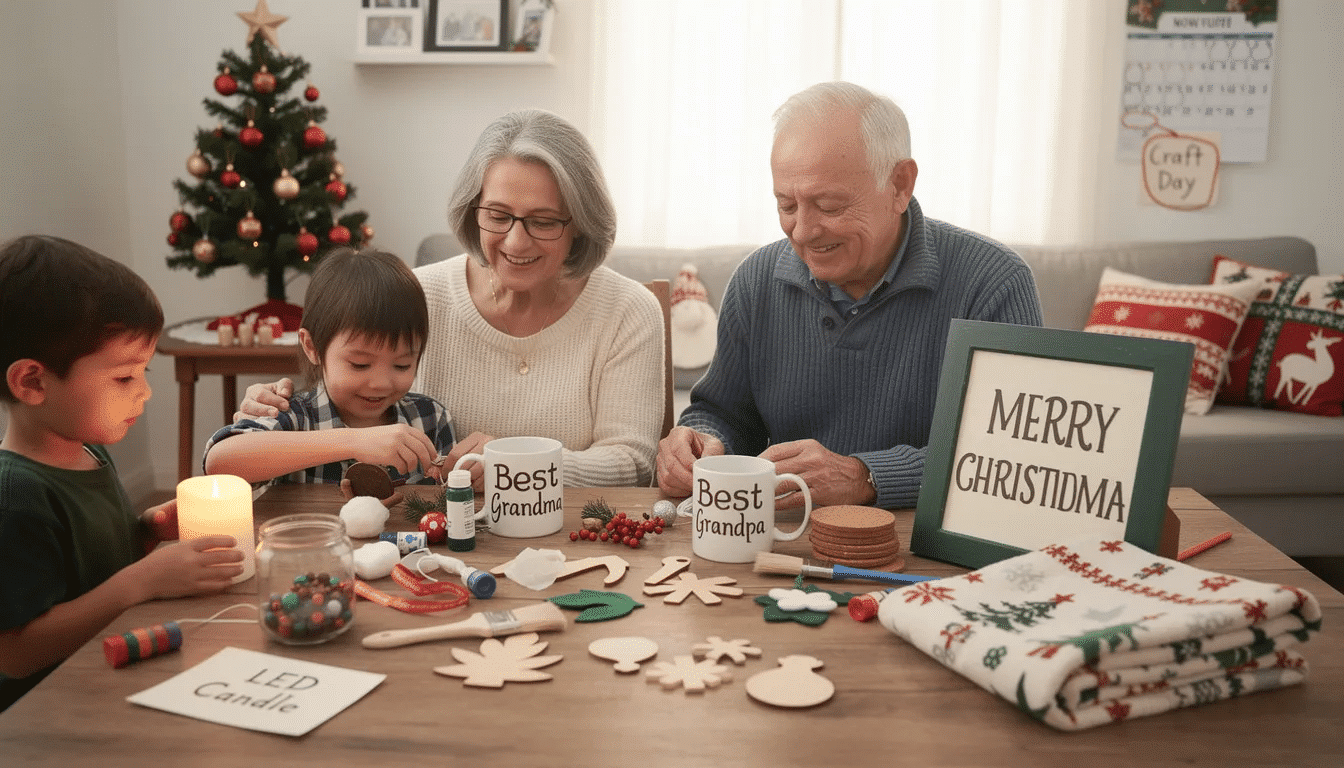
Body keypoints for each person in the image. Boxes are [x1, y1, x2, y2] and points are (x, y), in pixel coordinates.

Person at [657, 82, 1043, 511]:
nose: (802, 231)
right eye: (787, 205)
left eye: (829, 205)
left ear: (900, 185)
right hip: (787, 543)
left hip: (928, 551)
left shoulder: (994, 284)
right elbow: (726, 414)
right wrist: (702, 443)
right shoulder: (756, 281)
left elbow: (1012, 461)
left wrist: (867, 477)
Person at [237, 110, 664, 487]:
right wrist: (272, 407)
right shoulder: (416, 296)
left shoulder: (627, 311)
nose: (516, 241)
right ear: (472, 208)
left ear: (581, 224)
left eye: (544, 221)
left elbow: (633, 463)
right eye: (497, 216)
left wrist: (517, 464)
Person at [0, 235, 244, 711]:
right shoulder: (16, 496)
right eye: (124, 376)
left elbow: (87, 569)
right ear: (33, 382)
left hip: (113, 674)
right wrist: (142, 580)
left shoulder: (88, 452)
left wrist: (146, 532)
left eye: (144, 371)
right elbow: (17, 651)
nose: (145, 393)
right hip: (54, 711)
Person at [203, 247, 455, 495]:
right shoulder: (294, 416)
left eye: (402, 365)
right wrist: (352, 441)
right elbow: (218, 462)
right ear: (312, 347)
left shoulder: (431, 419)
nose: (381, 383)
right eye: (360, 364)